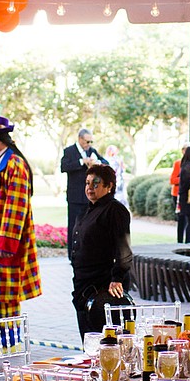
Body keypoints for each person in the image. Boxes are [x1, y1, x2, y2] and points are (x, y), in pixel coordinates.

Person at [0, 115, 42, 318]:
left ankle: (8, 343)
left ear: (0, 138)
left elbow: (16, 207)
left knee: (6, 296)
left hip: (6, 244)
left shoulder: (14, 165)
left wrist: (7, 244)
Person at [70, 164, 134, 339]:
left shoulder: (115, 210)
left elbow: (124, 247)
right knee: (88, 338)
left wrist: (117, 278)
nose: (90, 188)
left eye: (95, 183)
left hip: (104, 285)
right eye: (87, 183)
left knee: (105, 340)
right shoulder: (86, 210)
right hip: (83, 283)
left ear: (109, 186)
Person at [60, 127, 105, 260]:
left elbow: (105, 162)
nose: (89, 145)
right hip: (75, 197)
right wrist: (81, 162)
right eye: (87, 141)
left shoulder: (92, 151)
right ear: (80, 139)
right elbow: (64, 167)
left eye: (91, 142)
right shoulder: (69, 151)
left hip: (90, 197)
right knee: (74, 226)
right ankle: (72, 255)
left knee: (90, 226)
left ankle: (87, 253)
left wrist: (97, 162)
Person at [170, 142, 190, 242]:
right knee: (182, 219)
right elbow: (172, 180)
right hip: (179, 195)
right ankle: (180, 240)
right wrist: (186, 179)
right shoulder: (178, 163)